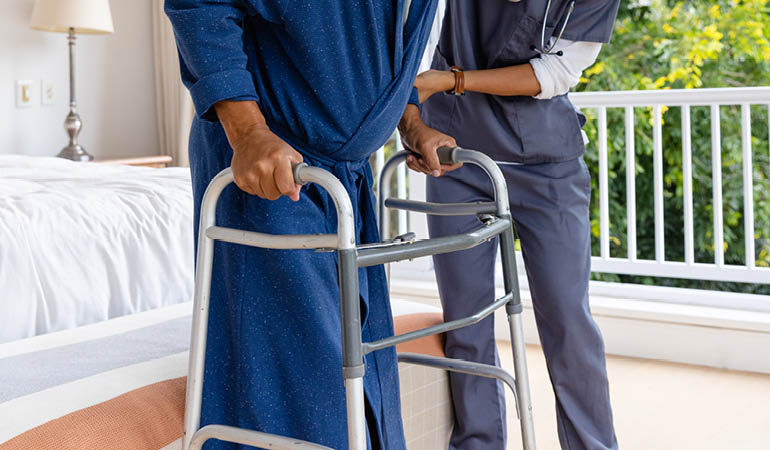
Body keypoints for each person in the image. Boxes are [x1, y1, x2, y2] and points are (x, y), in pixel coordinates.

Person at [165, 1, 439, 449]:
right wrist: (248, 131)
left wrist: (409, 122)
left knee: (358, 369)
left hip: (344, 178)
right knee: (302, 386)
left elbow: (385, 45)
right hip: (273, 168)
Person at [399, 1, 621, 449]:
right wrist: (415, 126)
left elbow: (555, 73)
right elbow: (415, 44)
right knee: (466, 317)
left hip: (547, 163)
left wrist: (452, 80)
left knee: (567, 319)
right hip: (458, 157)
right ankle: (478, 443)